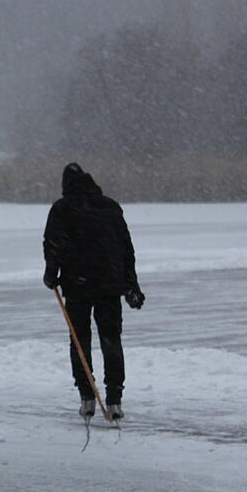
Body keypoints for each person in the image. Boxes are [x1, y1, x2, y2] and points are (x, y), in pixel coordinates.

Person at [42, 163, 145, 421]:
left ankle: (87, 397)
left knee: (79, 340)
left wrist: (51, 273)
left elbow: (53, 244)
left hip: (78, 284)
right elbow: (126, 248)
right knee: (111, 339)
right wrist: (131, 284)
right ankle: (115, 400)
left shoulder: (63, 209)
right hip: (109, 283)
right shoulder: (110, 207)